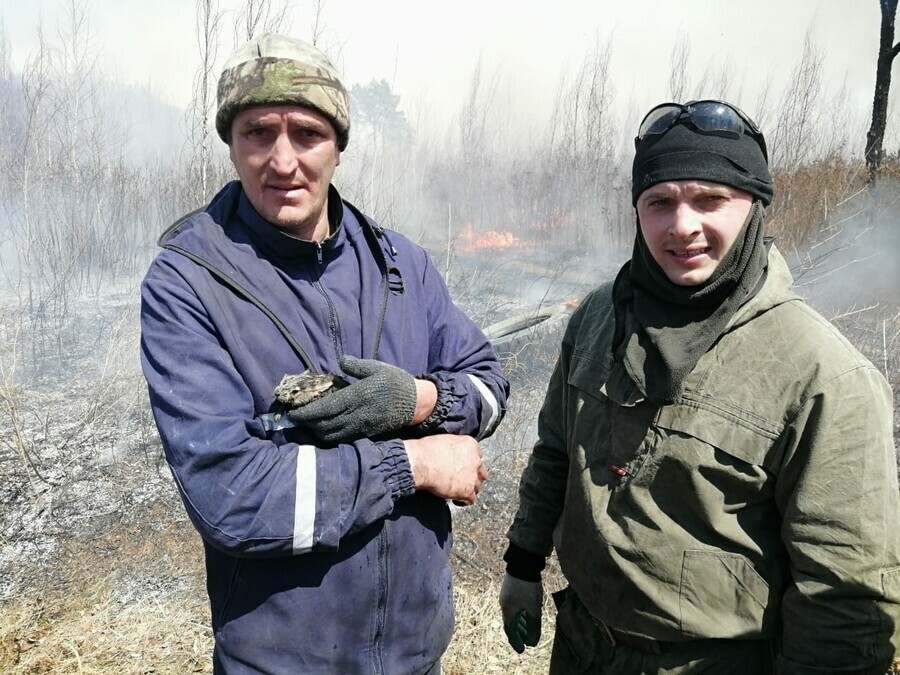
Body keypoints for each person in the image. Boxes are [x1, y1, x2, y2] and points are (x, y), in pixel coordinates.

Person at [140, 33, 508, 674]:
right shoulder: (189, 281)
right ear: (231, 143)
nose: (282, 160)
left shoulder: (402, 265)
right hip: (283, 661)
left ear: (339, 146)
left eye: (307, 134)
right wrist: (410, 465)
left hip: (415, 653)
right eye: (258, 132)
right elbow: (230, 496)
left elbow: (488, 383)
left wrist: (420, 398)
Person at [499, 99, 900, 673]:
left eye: (711, 200)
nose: (682, 226)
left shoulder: (824, 375)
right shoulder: (597, 318)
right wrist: (522, 563)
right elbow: (556, 454)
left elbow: (845, 595)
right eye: (659, 202)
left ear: (755, 207)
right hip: (583, 646)